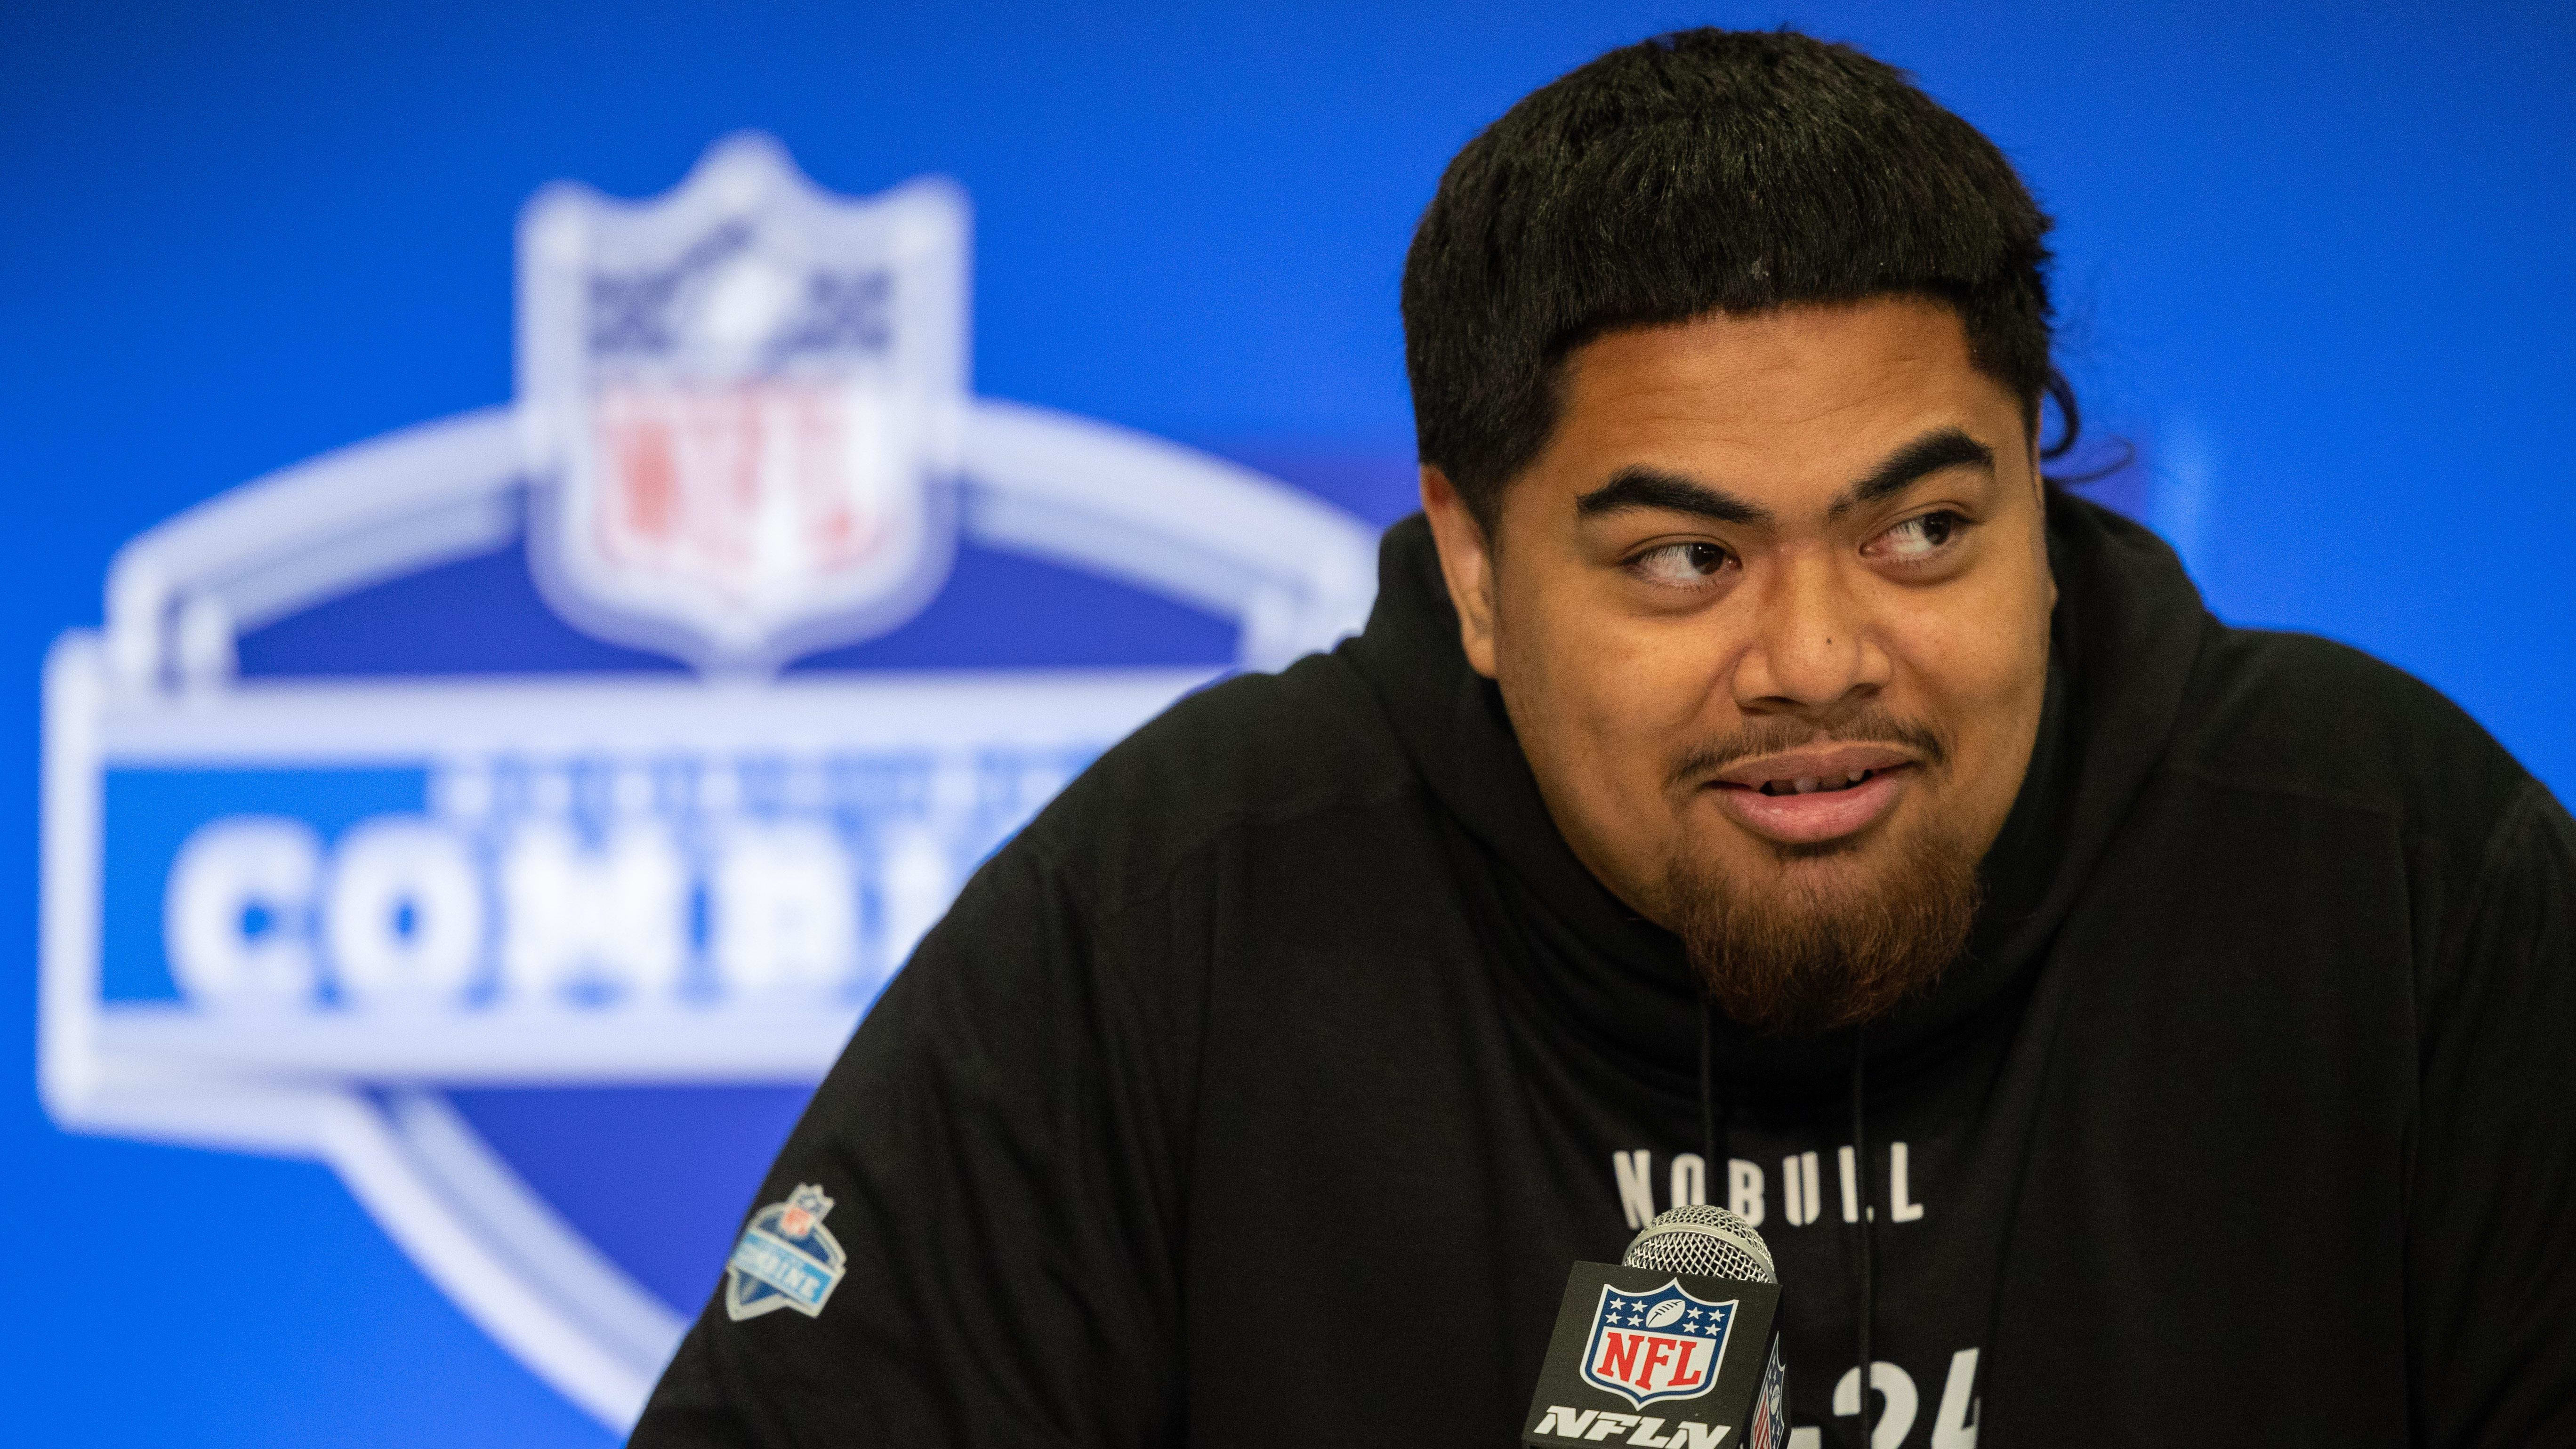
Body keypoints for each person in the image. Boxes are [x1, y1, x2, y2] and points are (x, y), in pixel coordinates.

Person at [632, 28, 2576, 1448]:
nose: (1819, 657)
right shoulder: (1177, 916)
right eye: (1681, 557)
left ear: (2038, 509)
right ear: (1474, 567)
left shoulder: (2389, 874)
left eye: (1926, 530)